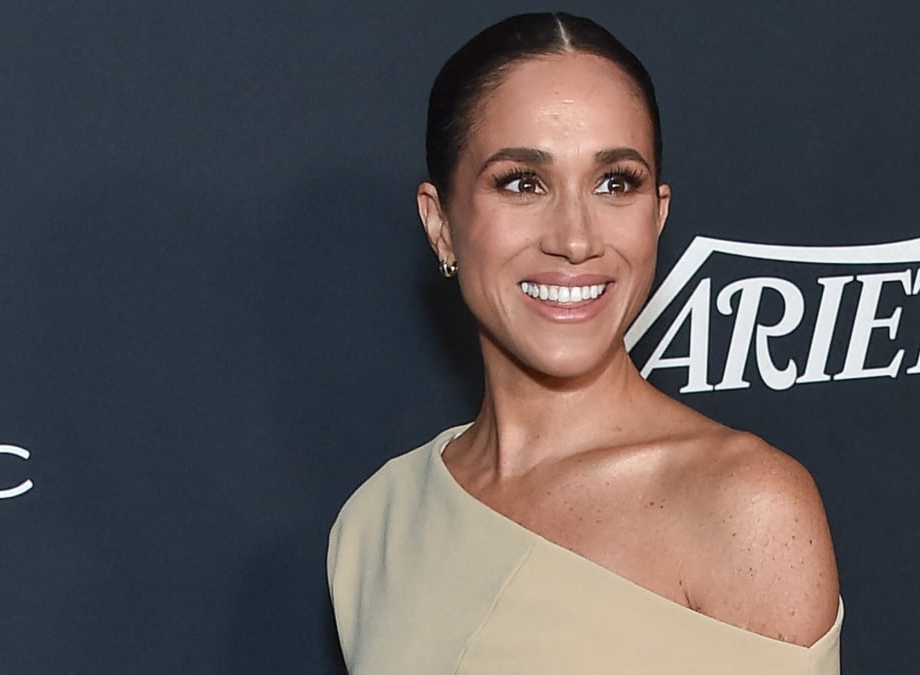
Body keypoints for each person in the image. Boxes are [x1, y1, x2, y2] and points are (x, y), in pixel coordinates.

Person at [327, 12, 842, 673]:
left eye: (614, 182)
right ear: (441, 223)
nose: (575, 237)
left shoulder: (745, 505)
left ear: (657, 216)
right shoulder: (377, 525)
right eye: (522, 181)